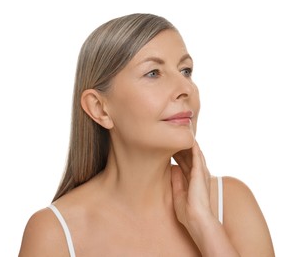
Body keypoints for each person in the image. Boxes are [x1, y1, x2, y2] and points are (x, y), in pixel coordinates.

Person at [18, 13, 275, 256]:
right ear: (100, 108)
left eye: (186, 71)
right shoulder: (54, 233)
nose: (185, 87)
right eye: (153, 73)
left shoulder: (231, 203)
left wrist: (204, 225)